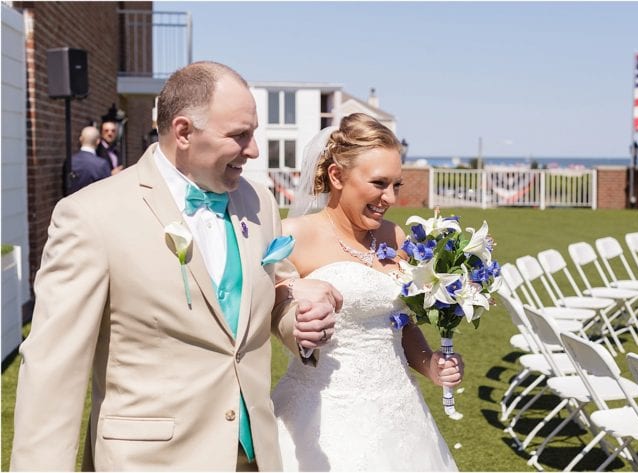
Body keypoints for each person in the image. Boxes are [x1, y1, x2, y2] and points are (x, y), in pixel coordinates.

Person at [11, 61, 342, 471]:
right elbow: (52, 370)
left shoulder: (260, 202)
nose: (254, 149)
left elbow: (276, 290)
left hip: (253, 457)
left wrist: (298, 320)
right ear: (184, 132)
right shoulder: (90, 215)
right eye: (240, 135)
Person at [272, 113, 463, 471]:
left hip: (400, 411)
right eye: (378, 183)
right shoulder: (293, 236)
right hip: (323, 414)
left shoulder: (396, 238)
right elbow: (264, 310)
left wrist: (431, 365)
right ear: (336, 176)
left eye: (396, 185)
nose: (389, 197)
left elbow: (401, 324)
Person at [67, 125, 112, 194]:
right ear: (98, 141)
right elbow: (108, 191)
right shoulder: (102, 164)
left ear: (81, 139)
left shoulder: (69, 162)